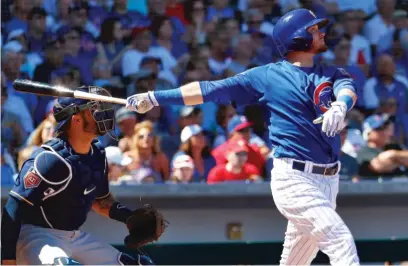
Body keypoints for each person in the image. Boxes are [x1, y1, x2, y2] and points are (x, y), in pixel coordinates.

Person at [126, 8, 360, 265]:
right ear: (296, 37)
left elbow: (346, 88)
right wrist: (155, 97)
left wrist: (341, 106)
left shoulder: (330, 72)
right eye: (314, 30)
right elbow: (209, 90)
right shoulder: (267, 76)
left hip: (328, 179)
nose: (322, 33)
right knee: (340, 240)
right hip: (294, 178)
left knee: (297, 259)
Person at [1, 87, 165, 265]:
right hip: (35, 236)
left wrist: (127, 216)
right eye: (94, 109)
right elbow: (13, 209)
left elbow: (100, 201)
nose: (102, 113)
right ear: (76, 119)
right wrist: (8, 259)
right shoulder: (49, 159)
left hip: (74, 236)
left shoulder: (97, 154)